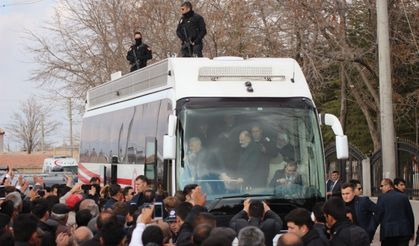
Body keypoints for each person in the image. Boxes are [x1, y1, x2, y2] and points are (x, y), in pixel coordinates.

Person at [375, 178, 414, 246]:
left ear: (388, 186)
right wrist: (412, 232)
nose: (380, 188)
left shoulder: (382, 198)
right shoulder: (403, 196)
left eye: (382, 186)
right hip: (404, 232)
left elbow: (377, 217)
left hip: (388, 233)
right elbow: (410, 215)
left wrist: (370, 232)